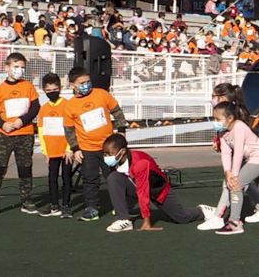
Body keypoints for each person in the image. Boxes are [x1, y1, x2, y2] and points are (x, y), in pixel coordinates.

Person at [102, 133, 217, 233]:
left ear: (122, 151)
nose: (106, 157)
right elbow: (121, 185)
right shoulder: (115, 162)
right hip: (137, 186)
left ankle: (202, 210)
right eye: (104, 154)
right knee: (113, 178)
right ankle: (123, 220)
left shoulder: (140, 162)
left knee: (182, 218)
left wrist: (147, 221)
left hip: (158, 191)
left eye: (109, 154)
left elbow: (143, 192)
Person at [0, 52, 41, 217]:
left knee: (25, 167)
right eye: (16, 66)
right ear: (7, 67)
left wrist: (23, 120)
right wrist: (3, 124)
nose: (19, 70)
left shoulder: (28, 86)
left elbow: (35, 107)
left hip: (25, 134)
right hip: (5, 135)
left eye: (22, 67)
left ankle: (26, 200)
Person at [63, 67, 127, 221]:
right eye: (82, 83)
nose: (86, 85)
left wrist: (121, 131)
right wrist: (75, 148)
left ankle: (120, 206)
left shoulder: (102, 94)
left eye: (88, 81)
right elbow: (69, 130)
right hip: (87, 149)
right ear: (72, 85)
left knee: (114, 176)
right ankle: (92, 208)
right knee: (90, 179)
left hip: (108, 148)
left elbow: (117, 111)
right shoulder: (70, 105)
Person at [209, 102, 259, 236]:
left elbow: (238, 152)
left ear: (230, 118)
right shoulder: (222, 132)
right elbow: (226, 153)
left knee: (235, 185)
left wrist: (234, 175)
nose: (215, 122)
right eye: (214, 119)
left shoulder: (239, 127)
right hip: (252, 160)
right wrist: (227, 172)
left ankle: (234, 223)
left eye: (218, 119)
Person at [36, 72, 73, 218]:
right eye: (48, 90)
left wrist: (70, 148)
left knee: (66, 177)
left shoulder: (67, 105)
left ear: (60, 88)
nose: (52, 92)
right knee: (52, 178)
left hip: (66, 150)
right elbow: (41, 130)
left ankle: (66, 206)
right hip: (51, 151)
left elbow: (73, 128)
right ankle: (54, 205)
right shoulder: (43, 108)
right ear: (44, 90)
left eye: (55, 89)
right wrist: (45, 151)